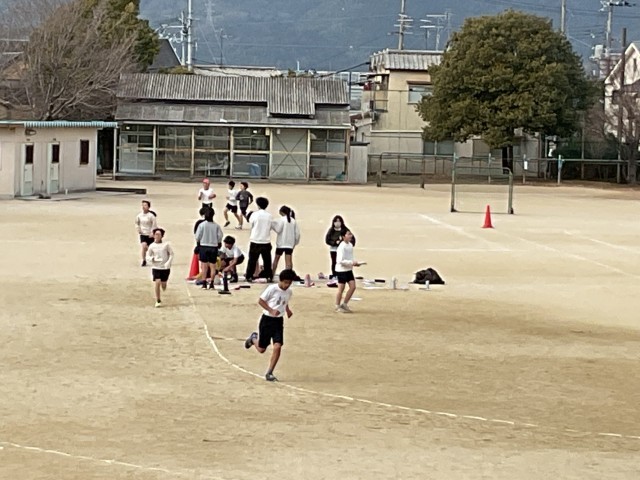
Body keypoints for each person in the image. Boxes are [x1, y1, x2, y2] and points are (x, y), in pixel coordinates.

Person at [244, 268, 297, 382]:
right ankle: (253, 339)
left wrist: (287, 310)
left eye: (289, 283)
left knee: (277, 346)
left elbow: (284, 302)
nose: (287, 285)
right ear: (281, 280)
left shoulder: (289, 292)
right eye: (286, 282)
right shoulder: (272, 289)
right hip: (267, 320)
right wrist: (271, 310)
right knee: (262, 349)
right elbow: (261, 301)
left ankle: (270, 372)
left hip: (278, 321)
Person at [245, 197, 274, 283]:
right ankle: (268, 276)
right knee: (267, 260)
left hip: (255, 240)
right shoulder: (269, 216)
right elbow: (271, 226)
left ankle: (249, 276)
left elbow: (251, 223)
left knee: (252, 260)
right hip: (266, 240)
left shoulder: (255, 214)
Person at [195, 207, 223, 290]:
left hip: (203, 246)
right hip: (213, 247)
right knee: (213, 266)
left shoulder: (202, 225)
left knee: (204, 266)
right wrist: (217, 242)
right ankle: (211, 284)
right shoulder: (216, 226)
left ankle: (204, 283)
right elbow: (220, 236)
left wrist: (199, 241)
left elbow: (197, 236)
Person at [145, 228, 174, 308]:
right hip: (156, 267)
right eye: (156, 234)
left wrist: (168, 263)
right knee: (157, 282)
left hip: (165, 268)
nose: (157, 236)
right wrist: (152, 259)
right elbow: (148, 256)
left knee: (163, 284)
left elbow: (171, 254)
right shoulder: (152, 246)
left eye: (159, 234)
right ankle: (158, 300)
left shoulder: (166, 245)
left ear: (162, 236)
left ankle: (164, 284)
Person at [334, 231, 361, 313]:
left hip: (348, 269)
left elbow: (350, 258)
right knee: (341, 289)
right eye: (348, 234)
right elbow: (340, 261)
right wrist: (351, 263)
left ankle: (344, 304)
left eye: (350, 234)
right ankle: (337, 305)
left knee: (353, 287)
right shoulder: (341, 247)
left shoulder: (350, 245)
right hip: (341, 270)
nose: (350, 236)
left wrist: (354, 263)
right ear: (343, 236)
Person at [325, 215, 355, 279]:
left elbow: (352, 239)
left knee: (344, 261)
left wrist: (345, 243)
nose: (337, 223)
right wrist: (334, 243)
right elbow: (327, 240)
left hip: (343, 249)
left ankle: (344, 274)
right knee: (334, 262)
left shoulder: (345, 230)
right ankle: (335, 275)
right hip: (334, 249)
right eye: (336, 221)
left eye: (339, 221)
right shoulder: (331, 230)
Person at [272, 205, 300, 273]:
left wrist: (273, 226)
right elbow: (297, 234)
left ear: (282, 212)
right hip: (289, 244)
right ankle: (289, 275)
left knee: (276, 259)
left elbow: (278, 230)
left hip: (281, 243)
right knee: (288, 261)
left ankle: (272, 274)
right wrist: (295, 243)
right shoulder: (293, 221)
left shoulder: (281, 219)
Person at [135, 200, 157, 267]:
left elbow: (154, 225)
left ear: (148, 207)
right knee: (144, 246)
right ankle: (144, 260)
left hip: (150, 234)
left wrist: (152, 232)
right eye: (142, 205)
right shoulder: (139, 215)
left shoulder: (151, 216)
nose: (143, 207)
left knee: (151, 248)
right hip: (143, 234)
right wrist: (138, 229)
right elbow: (137, 223)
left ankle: (154, 257)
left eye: (145, 205)